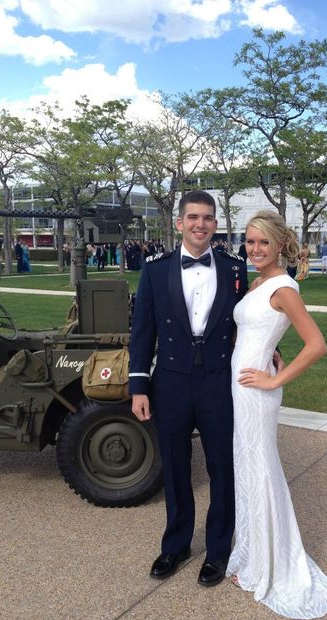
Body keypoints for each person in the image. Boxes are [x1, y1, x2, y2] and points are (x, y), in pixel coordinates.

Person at [227, 210, 327, 619]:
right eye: (249, 241)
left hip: (258, 394)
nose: (254, 249)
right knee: (249, 468)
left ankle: (268, 566)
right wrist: (268, 349)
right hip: (241, 388)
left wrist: (276, 380)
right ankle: (254, 555)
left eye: (262, 242)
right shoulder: (260, 282)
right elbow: (259, 329)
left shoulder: (283, 287)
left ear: (279, 245)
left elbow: (317, 344)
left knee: (260, 470)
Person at [129, 190, 248, 588]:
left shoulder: (234, 267)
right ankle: (177, 544)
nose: (201, 224)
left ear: (216, 224)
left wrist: (273, 351)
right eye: (193, 217)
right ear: (179, 223)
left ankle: (217, 550)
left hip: (219, 380)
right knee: (176, 467)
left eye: (208, 218)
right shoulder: (155, 269)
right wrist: (138, 386)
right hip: (171, 382)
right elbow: (142, 330)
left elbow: (245, 321)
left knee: (221, 468)